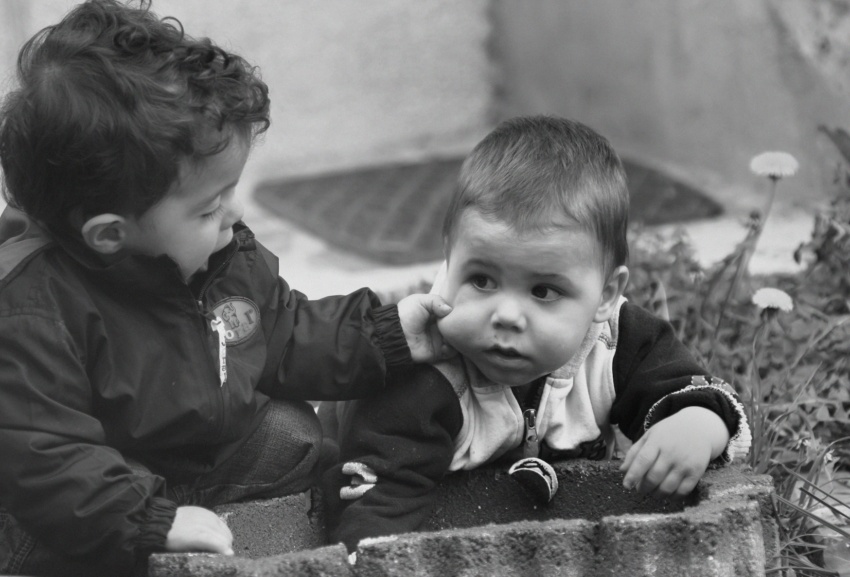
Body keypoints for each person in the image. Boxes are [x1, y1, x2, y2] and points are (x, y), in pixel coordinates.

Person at [0, 1, 453, 575]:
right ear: (111, 234)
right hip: (88, 490)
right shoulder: (30, 309)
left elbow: (283, 329)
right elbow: (45, 455)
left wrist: (386, 335)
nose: (234, 213)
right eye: (209, 206)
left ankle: (203, 520)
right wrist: (148, 520)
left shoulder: (219, 254)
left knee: (294, 431)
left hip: (185, 454)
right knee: (43, 527)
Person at [320, 115, 752, 551]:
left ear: (605, 294)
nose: (507, 315)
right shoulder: (420, 372)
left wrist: (698, 425)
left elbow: (697, 392)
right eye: (481, 280)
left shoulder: (617, 341)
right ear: (449, 258)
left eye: (543, 291)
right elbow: (372, 512)